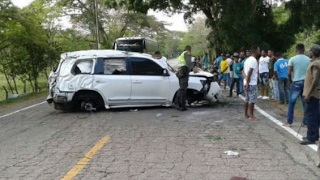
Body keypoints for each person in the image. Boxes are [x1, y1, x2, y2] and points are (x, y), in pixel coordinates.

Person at [284, 44, 310, 127]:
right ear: (304, 50)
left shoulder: (292, 59)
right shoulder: (309, 59)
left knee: (291, 102)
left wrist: (291, 80)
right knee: (305, 103)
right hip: (306, 83)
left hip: (296, 82)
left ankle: (289, 122)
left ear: (296, 50)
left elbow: (289, 72)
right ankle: (305, 122)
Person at [300, 44, 320, 145]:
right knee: (314, 115)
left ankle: (311, 137)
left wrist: (308, 94)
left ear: (313, 53)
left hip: (312, 94)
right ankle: (314, 135)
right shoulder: (314, 62)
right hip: (313, 94)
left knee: (310, 116)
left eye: (310, 51)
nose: (309, 52)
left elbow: (315, 79)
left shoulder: (316, 64)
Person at [174, 45, 197, 111]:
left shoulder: (182, 54)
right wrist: (193, 68)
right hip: (184, 71)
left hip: (181, 72)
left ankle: (182, 104)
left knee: (183, 88)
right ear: (189, 49)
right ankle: (178, 103)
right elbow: (188, 62)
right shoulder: (187, 53)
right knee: (183, 89)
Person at [242, 46, 259, 120]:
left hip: (246, 82)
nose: (259, 52)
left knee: (247, 98)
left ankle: (246, 114)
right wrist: (248, 81)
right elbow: (250, 71)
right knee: (252, 99)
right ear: (255, 51)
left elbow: (242, 71)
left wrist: (245, 79)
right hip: (251, 83)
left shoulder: (247, 60)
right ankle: (251, 116)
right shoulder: (254, 60)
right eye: (258, 51)